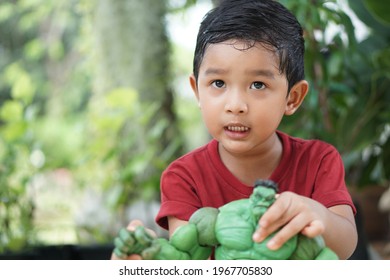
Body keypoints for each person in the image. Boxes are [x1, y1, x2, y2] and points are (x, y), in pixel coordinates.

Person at [112, 0, 357, 260]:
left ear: (292, 97)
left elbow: (345, 246)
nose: (236, 105)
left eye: (258, 85)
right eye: (218, 83)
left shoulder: (318, 161)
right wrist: (146, 261)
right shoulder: (184, 177)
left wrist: (317, 215)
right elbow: (188, 261)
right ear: (197, 92)